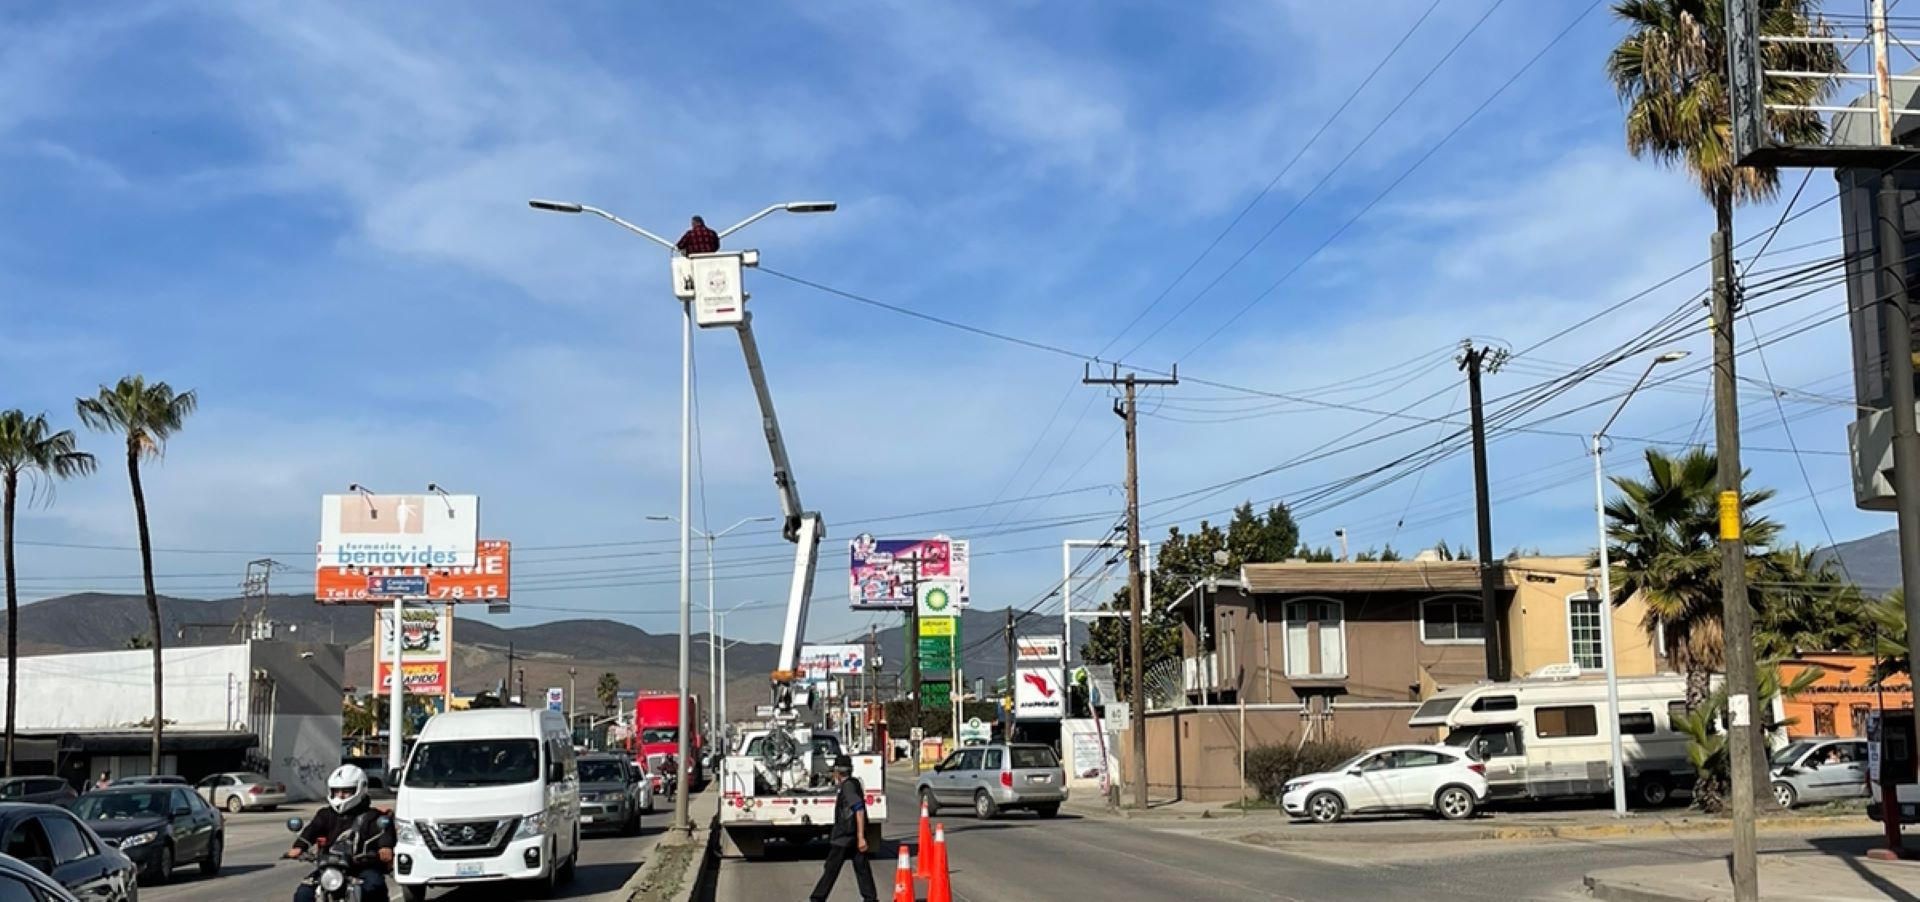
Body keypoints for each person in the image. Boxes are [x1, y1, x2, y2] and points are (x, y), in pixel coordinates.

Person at [285, 765, 393, 902]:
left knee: (373, 886)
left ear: (361, 789)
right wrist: (299, 846)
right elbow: (313, 829)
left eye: (346, 791)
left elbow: (385, 832)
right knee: (304, 894)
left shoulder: (373, 816)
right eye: (336, 791)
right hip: (330, 868)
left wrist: (385, 847)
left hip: (361, 866)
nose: (340, 795)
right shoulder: (325, 814)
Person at [809, 755, 877, 902]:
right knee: (862, 868)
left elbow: (858, 809)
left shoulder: (848, 787)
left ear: (838, 773)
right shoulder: (853, 784)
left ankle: (817, 898)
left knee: (831, 869)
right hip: (851, 834)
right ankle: (870, 898)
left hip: (845, 836)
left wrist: (860, 837)